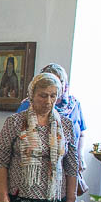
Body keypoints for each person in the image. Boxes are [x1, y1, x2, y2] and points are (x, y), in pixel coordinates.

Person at [0, 72, 78, 202]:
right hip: (21, 200)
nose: (48, 101)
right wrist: (2, 195)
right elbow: (1, 161)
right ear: (32, 95)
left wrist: (70, 200)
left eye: (53, 96)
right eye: (43, 96)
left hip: (54, 201)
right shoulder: (15, 122)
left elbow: (72, 166)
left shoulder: (66, 125)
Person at [16, 62, 87, 194]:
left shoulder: (74, 105)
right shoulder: (28, 105)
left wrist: (80, 155)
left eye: (61, 81)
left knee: (67, 200)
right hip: (36, 167)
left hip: (67, 164)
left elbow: (81, 133)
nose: (57, 85)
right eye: (53, 80)